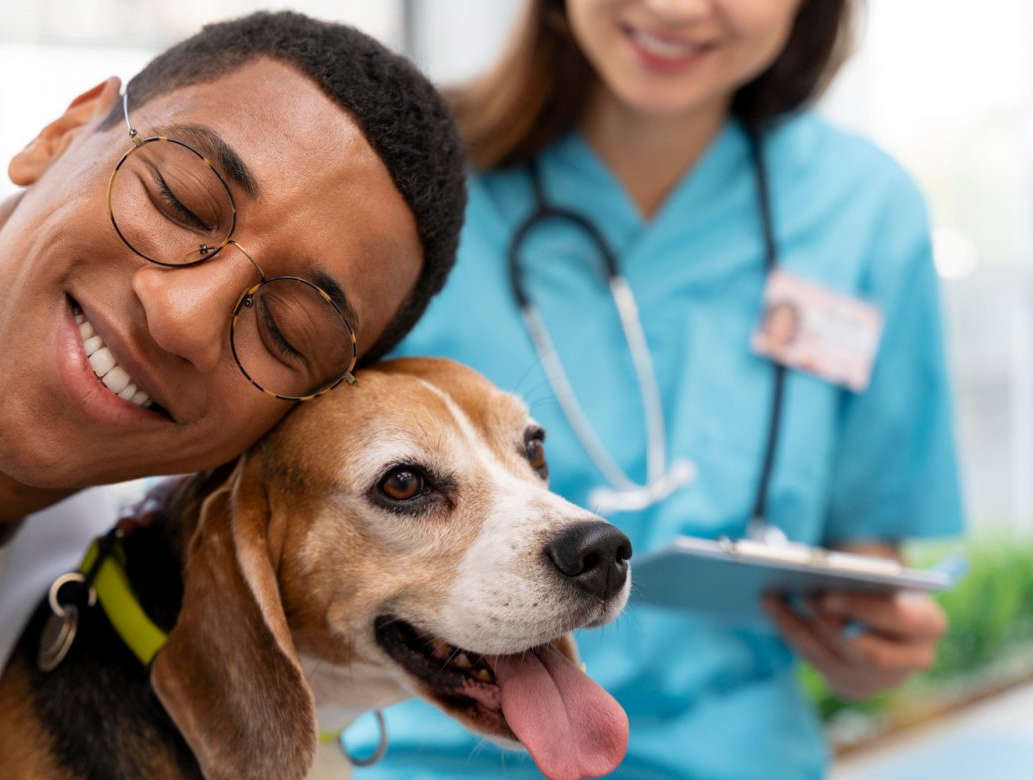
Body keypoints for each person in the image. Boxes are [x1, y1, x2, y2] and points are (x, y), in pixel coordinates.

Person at [352, 0, 962, 777]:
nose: (675, 7)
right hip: (431, 752)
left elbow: (866, 557)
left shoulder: (866, 210)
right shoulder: (395, 173)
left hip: (739, 755)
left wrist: (871, 649)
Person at [0, 11, 466, 778]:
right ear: (63, 130)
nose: (183, 317)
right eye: (179, 201)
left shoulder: (93, 578)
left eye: (284, 330)